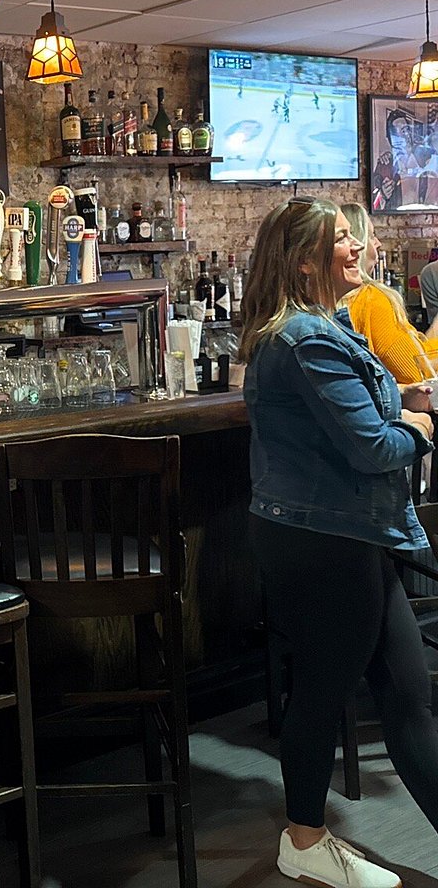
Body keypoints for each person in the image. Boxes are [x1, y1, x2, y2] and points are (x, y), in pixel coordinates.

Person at [239, 197, 438, 888]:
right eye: (344, 239)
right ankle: (304, 840)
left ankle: (305, 841)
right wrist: (420, 427)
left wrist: (404, 408)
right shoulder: (305, 339)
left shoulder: (326, 325)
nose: (360, 248)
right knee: (325, 692)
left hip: (346, 532)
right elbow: (372, 447)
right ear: (305, 260)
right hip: (319, 540)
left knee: (407, 697)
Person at [341, 201, 438, 383]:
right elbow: (416, 370)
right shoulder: (371, 299)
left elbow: (418, 353)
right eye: (371, 236)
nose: (378, 243)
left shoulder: (330, 301)